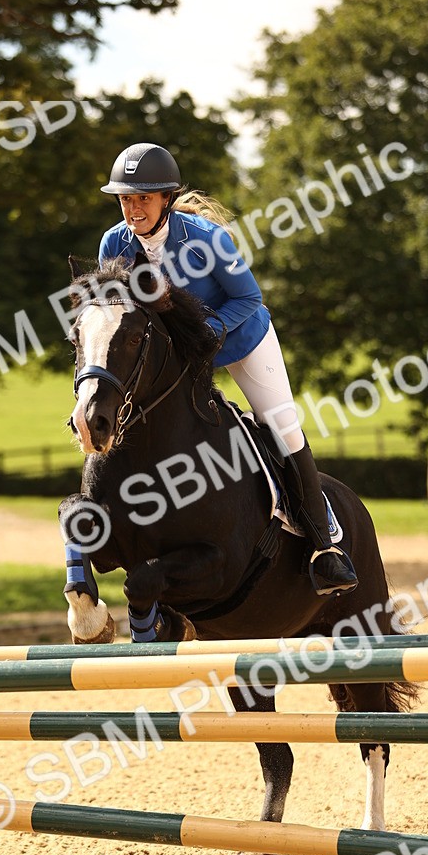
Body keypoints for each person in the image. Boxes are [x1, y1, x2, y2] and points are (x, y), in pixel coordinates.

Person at [97, 141, 357, 595]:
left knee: (282, 425)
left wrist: (206, 333)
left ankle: (325, 546)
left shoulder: (206, 238)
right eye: (126, 199)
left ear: (166, 199)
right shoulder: (113, 243)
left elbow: (248, 298)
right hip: (175, 355)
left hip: (240, 338)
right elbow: (118, 310)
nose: (133, 209)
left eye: (143, 198)